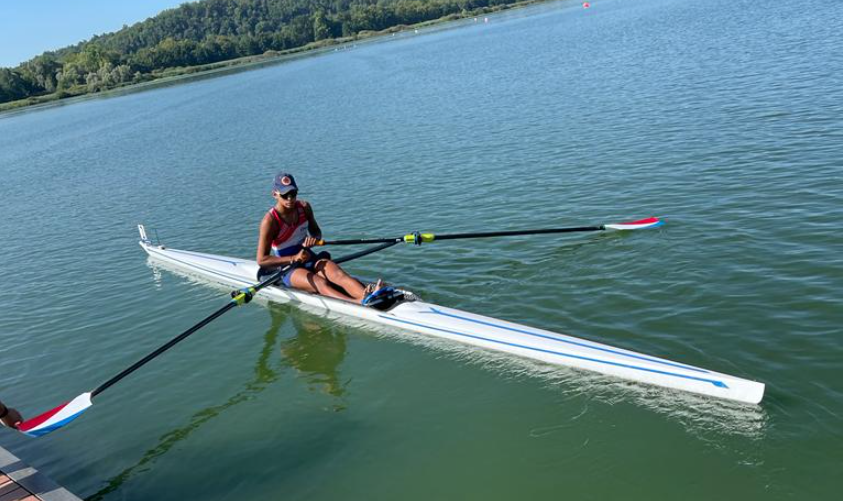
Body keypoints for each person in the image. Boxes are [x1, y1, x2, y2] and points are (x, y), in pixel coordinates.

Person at [256, 172, 384, 304]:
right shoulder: (270, 221)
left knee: (339, 275)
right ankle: (359, 302)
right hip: (289, 267)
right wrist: (293, 258)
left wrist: (314, 240)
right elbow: (262, 260)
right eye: (284, 195)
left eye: (293, 194)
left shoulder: (304, 207)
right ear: (275, 194)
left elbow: (316, 232)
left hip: (309, 257)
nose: (290, 199)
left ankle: (369, 295)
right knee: (320, 282)